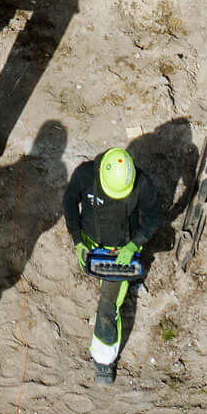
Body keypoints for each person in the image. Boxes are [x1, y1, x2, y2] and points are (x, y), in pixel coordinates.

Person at [62, 147, 157, 384]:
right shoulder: (85, 175)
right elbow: (69, 204)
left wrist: (134, 245)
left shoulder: (140, 182)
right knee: (105, 297)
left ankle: (103, 361)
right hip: (92, 244)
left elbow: (154, 216)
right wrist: (78, 241)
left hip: (121, 251)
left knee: (107, 305)